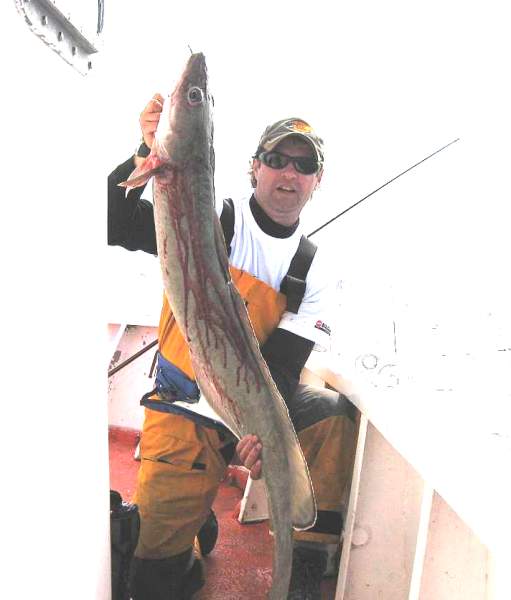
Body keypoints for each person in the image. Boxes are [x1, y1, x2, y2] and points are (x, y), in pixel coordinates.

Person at [108, 94, 357, 600]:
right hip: (184, 404)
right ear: (254, 166)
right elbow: (112, 222)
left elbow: (282, 366)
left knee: (331, 415)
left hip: (251, 400)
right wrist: (145, 151)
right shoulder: (208, 218)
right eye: (276, 159)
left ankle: (305, 565)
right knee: (153, 581)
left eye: (304, 165)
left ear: (317, 180)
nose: (289, 173)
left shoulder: (315, 269)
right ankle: (191, 529)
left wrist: (258, 433)